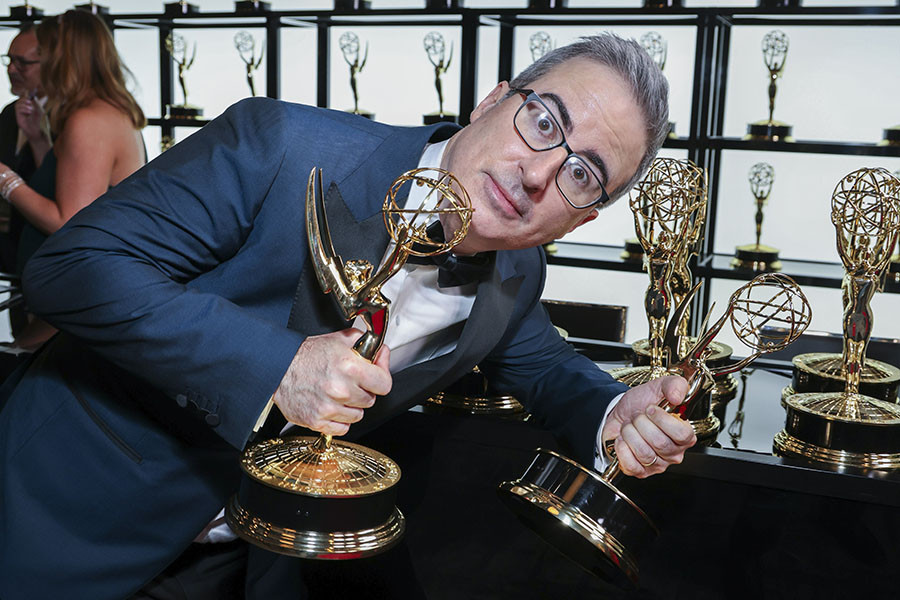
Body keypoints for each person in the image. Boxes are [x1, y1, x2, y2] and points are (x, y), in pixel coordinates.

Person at [0, 33, 695, 599]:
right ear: (492, 100)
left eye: (582, 174)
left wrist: (614, 412)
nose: (541, 172)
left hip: (242, 561)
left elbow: (545, 365)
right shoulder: (281, 145)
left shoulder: (519, 267)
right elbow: (70, 267)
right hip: (66, 515)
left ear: (581, 220)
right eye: (544, 122)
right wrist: (277, 367)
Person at [0, 10, 146, 350]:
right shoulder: (100, 110)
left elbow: (70, 220)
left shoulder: (89, 120)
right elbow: (67, 187)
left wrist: (5, 179)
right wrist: (39, 141)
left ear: (64, 58)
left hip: (78, 292)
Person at [0, 25, 44, 336]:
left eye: (22, 62)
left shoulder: (76, 121)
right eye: (8, 60)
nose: (11, 69)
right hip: (9, 259)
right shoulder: (6, 114)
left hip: (46, 261)